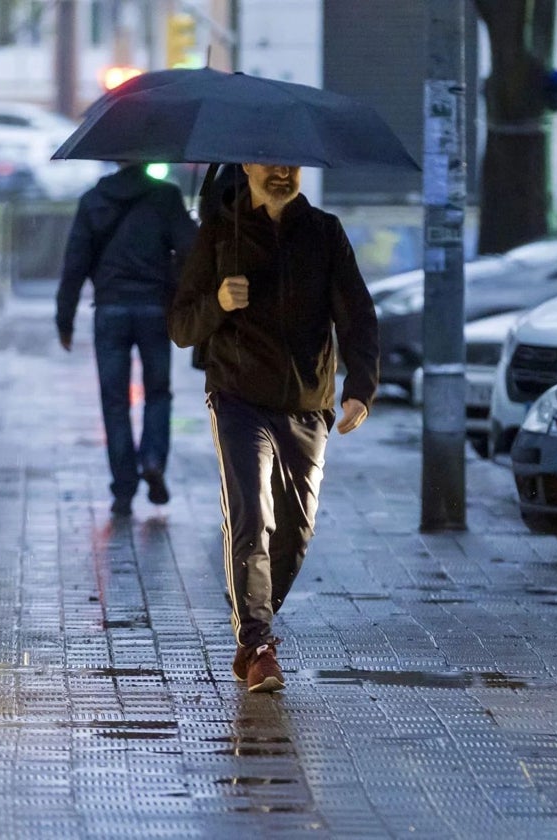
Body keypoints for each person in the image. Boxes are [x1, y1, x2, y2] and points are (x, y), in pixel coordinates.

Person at [168, 163, 379, 693]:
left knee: (296, 530)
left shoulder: (325, 232)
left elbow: (357, 313)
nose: (281, 171)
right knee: (252, 516)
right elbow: (179, 326)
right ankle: (259, 643)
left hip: (309, 401)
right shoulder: (221, 232)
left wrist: (361, 388)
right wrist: (218, 302)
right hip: (237, 396)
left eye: (290, 162)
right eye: (268, 161)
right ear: (247, 167)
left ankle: (250, 605)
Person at [56, 162, 197, 519]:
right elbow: (191, 250)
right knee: (158, 392)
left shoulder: (93, 201)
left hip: (110, 310)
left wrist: (65, 318)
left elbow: (75, 262)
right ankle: (152, 459)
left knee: (115, 401)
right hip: (154, 310)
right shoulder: (166, 197)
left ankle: (123, 488)